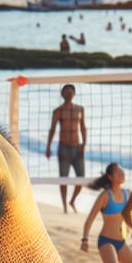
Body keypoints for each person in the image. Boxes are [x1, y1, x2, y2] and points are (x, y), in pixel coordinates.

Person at [80, 163, 132, 263]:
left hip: (121, 242)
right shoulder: (105, 196)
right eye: (118, 171)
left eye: (122, 169)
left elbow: (130, 215)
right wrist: (85, 240)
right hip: (106, 241)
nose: (122, 172)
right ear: (110, 177)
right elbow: (90, 219)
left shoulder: (127, 194)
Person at [45, 83, 87, 213]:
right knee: (63, 178)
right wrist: (48, 147)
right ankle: (64, 207)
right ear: (62, 94)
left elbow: (83, 127)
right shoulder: (58, 111)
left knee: (82, 179)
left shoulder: (80, 109)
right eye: (66, 92)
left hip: (77, 147)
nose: (69, 94)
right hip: (64, 148)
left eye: (71, 92)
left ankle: (72, 200)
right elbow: (52, 129)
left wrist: (84, 145)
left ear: (74, 94)